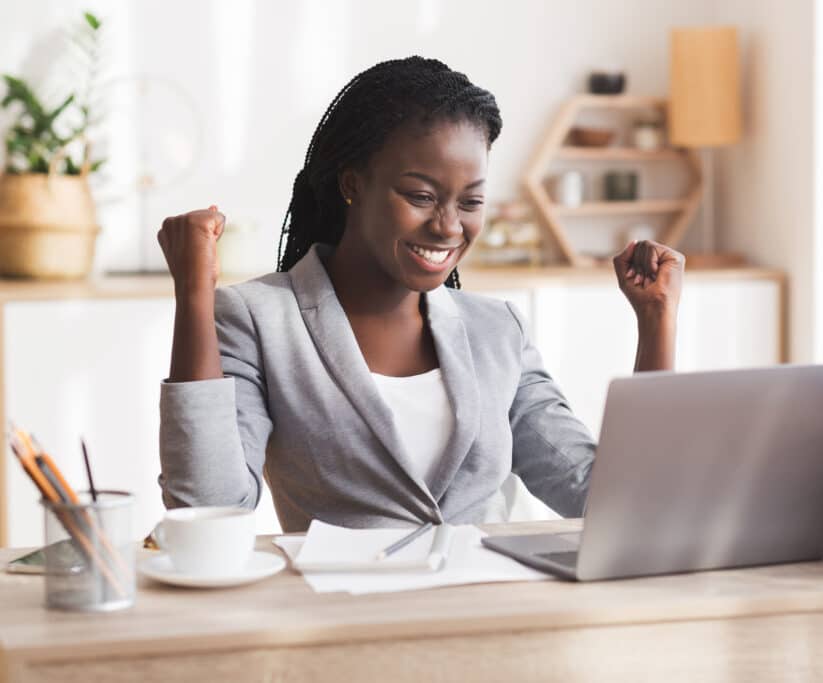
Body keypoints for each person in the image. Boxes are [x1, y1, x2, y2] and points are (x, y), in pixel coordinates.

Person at [157, 56, 683, 532]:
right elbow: (209, 506)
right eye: (421, 196)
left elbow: (614, 503)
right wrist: (194, 295)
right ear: (353, 184)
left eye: (471, 201)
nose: (448, 226)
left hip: (495, 622)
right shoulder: (260, 318)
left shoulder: (498, 330)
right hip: (341, 625)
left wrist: (657, 321)